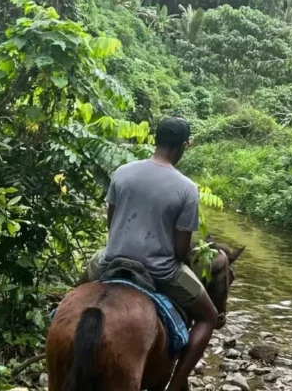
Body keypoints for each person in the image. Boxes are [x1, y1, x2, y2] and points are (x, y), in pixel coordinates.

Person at [91, 117, 218, 391]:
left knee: (76, 294)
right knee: (209, 315)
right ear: (185, 145)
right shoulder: (187, 188)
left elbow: (111, 224)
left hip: (110, 260)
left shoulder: (122, 172)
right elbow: (180, 250)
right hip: (160, 271)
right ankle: (176, 383)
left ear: (155, 139)